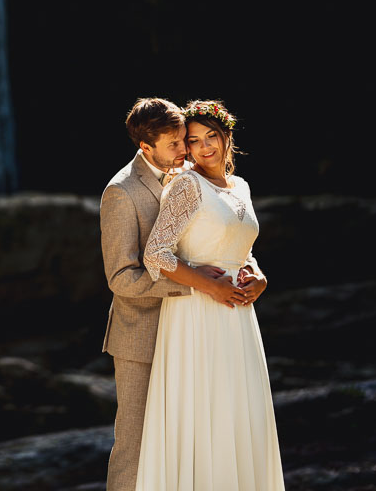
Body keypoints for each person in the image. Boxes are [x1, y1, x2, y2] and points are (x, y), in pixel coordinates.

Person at [99, 98, 264, 491]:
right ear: (146, 147)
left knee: (209, 433)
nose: (186, 151)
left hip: (202, 328)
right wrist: (195, 284)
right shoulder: (121, 192)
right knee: (138, 446)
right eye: (175, 144)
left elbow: (224, 235)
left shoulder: (194, 174)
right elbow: (121, 277)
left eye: (184, 141)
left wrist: (253, 271)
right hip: (143, 334)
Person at [135, 100, 282, 490]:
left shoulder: (241, 187)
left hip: (238, 315)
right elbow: (156, 253)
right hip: (196, 312)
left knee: (240, 412)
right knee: (206, 413)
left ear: (226, 137)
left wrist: (260, 277)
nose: (203, 148)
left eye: (211, 137)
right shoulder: (186, 184)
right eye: (193, 140)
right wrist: (209, 285)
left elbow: (241, 248)